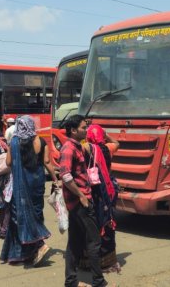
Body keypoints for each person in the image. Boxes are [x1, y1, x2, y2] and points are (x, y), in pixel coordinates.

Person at [60, 115, 106, 287]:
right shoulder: (68, 148)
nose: (86, 130)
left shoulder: (77, 147)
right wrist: (81, 195)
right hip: (80, 202)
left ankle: (71, 281)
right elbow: (65, 175)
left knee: (75, 243)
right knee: (94, 242)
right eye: (83, 127)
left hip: (78, 201)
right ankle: (98, 282)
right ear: (73, 130)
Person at [0, 115, 51, 265]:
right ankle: (31, 251)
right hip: (37, 184)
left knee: (19, 217)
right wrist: (56, 179)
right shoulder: (40, 141)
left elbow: (8, 162)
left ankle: (37, 245)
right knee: (36, 214)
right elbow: (47, 162)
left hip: (21, 187)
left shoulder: (14, 141)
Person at [85, 124, 121, 272]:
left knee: (92, 224)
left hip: (91, 189)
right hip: (107, 189)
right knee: (106, 222)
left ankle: (87, 261)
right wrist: (106, 135)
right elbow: (118, 143)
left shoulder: (86, 148)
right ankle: (107, 261)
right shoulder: (107, 149)